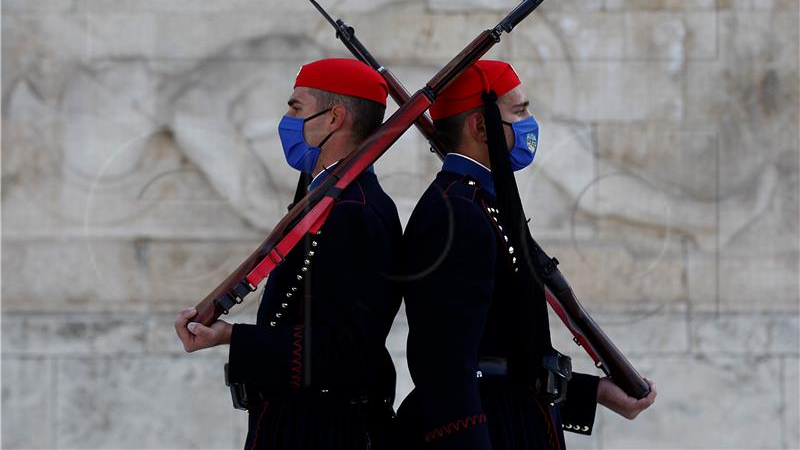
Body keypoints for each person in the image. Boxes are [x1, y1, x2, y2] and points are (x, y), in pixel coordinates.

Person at [395, 60, 656, 449]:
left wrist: (594, 392)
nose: (530, 122)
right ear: (481, 127)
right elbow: (446, 364)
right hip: (491, 430)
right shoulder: (455, 212)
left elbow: (509, 353)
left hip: (515, 422)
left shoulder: (484, 202)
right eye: (519, 111)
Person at [175, 58, 403, 450]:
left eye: (296, 107)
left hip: (325, 430)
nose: (286, 118)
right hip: (299, 422)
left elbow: (348, 349)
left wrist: (233, 337)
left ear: (334, 118)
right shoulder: (329, 199)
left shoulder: (356, 211)